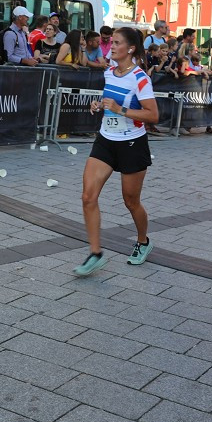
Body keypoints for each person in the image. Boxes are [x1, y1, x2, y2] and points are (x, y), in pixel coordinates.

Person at [74, 27, 160, 276]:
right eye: (111, 42)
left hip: (132, 144)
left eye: (116, 43)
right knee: (88, 196)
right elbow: (110, 101)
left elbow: (153, 115)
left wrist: (121, 109)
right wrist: (99, 104)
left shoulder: (141, 78)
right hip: (105, 140)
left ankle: (143, 241)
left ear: (130, 48)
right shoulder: (109, 72)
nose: (110, 46)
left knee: (131, 201)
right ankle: (95, 253)